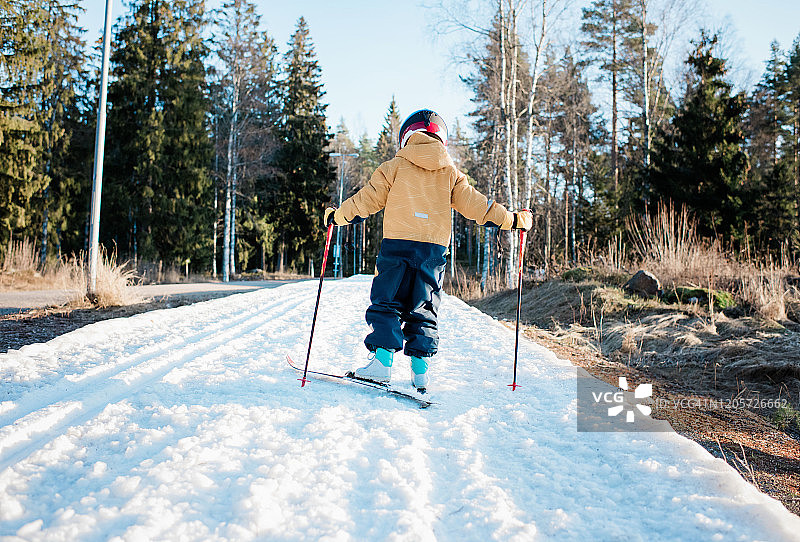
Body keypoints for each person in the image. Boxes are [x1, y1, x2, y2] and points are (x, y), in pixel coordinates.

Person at [324, 109, 531, 392]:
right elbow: (478, 206)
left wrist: (337, 216)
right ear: (441, 139)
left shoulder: (393, 167)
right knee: (424, 305)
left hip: (397, 246)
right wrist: (512, 219)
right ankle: (420, 371)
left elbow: (365, 201)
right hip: (433, 251)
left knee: (387, 301)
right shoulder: (451, 174)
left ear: (406, 136)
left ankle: (382, 364)